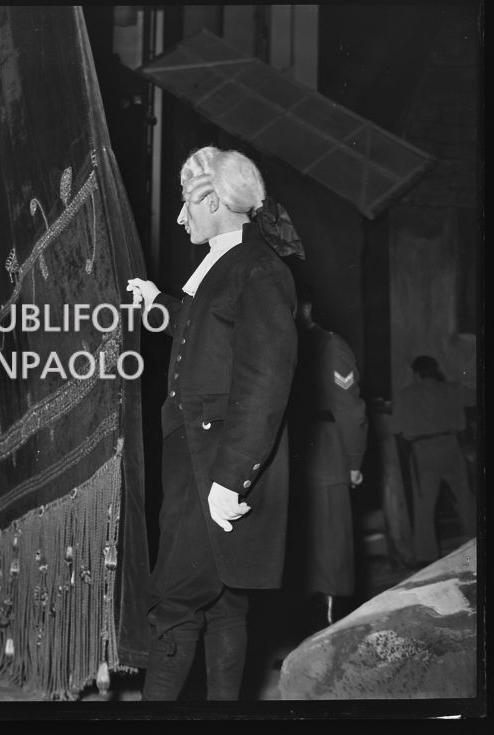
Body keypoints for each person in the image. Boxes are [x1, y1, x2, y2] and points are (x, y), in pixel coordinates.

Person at [127, 146, 300, 701]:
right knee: (224, 600)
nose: (180, 217)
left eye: (187, 203)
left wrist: (232, 478)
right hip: (192, 454)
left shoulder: (258, 269)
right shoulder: (225, 266)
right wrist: (159, 304)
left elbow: (265, 380)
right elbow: (202, 330)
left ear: (213, 200)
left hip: (218, 462)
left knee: (174, 598)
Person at [288, 299, 368, 632]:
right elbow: (352, 411)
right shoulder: (300, 343)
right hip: (310, 461)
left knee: (324, 555)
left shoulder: (329, 346)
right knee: (323, 555)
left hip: (313, 458)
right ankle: (316, 640)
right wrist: (352, 462)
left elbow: (348, 410)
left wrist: (352, 461)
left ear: (306, 308)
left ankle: (325, 637)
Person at [390, 355, 476, 565]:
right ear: (435, 370)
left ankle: (427, 558)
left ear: (416, 373)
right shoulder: (453, 388)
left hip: (424, 451)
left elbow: (396, 428)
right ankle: (477, 541)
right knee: (465, 498)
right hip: (451, 446)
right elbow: (474, 398)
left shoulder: (406, 395)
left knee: (424, 506)